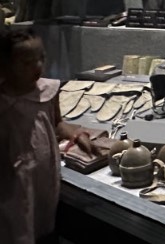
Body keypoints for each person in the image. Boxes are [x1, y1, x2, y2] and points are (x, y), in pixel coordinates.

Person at [0, 28, 95, 243]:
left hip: (44, 175)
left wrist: (77, 135)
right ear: (5, 65)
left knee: (43, 223)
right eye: (27, 63)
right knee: (17, 227)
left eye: (41, 58)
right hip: (12, 179)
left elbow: (57, 124)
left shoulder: (48, 91)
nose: (38, 66)